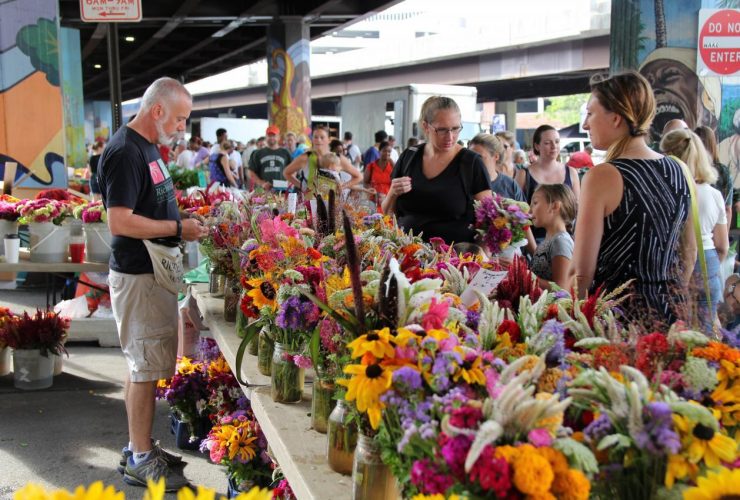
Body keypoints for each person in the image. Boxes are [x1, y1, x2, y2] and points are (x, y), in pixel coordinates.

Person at [98, 77, 208, 490]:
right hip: (138, 274)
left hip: (151, 272)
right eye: (180, 118)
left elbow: (149, 200)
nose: (182, 127)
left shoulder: (146, 147)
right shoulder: (125, 151)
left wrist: (180, 216)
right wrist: (179, 226)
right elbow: (120, 220)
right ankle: (141, 458)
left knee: (140, 365)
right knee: (143, 368)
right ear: (157, 110)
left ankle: (138, 446)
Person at [570, 70, 696, 326]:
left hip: (617, 319)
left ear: (616, 118)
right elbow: (689, 252)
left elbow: (581, 273)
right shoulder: (679, 169)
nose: (585, 124)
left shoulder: (603, 176)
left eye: (591, 113)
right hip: (672, 316)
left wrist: (567, 321)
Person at [382, 96, 492, 244]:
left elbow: (488, 219)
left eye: (455, 128)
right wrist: (393, 193)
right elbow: (387, 212)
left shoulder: (471, 163)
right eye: (442, 130)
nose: (450, 137)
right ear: (426, 126)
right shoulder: (409, 157)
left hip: (455, 260)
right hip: (405, 254)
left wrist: (482, 256)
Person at [661, 128, 728, 334]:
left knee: (675, 332)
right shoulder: (714, 194)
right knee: (705, 334)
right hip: (708, 262)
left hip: (673, 263)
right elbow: (723, 246)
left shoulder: (667, 192)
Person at [515, 124, 580, 241]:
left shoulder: (571, 172)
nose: (554, 146)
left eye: (557, 141)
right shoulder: (523, 174)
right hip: (533, 239)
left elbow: (577, 210)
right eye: (547, 143)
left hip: (565, 238)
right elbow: (516, 213)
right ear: (537, 146)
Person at [283, 125, 363, 199]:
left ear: (328, 140)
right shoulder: (305, 157)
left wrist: (343, 186)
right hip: (310, 206)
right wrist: (302, 186)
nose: (318, 140)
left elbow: (358, 176)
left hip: (332, 206)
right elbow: (286, 173)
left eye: (322, 137)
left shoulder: (337, 158)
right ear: (312, 139)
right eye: (315, 137)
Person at [529, 184, 576, 290]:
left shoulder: (560, 242)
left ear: (555, 206)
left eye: (535, 203)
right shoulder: (549, 240)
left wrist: (526, 276)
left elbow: (562, 288)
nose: (530, 210)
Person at [468, 133, 525, 202]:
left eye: (479, 158)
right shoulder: (463, 183)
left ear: (496, 156)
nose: (473, 162)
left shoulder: (510, 185)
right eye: (470, 157)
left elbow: (522, 212)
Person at [694, 125, 733, 224]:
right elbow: (727, 209)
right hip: (717, 225)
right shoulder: (723, 171)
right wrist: (724, 234)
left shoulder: (688, 168)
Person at [248, 125, 291, 190]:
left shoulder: (285, 152)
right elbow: (251, 172)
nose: (271, 138)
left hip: (282, 191)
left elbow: (293, 170)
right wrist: (261, 183)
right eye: (269, 135)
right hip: (263, 191)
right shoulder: (258, 153)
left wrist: (289, 182)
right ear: (266, 137)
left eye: (274, 135)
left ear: (278, 137)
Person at [363, 140, 394, 209]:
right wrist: (373, 191)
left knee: (387, 219)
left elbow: (396, 181)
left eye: (389, 151)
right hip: (374, 202)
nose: (387, 153)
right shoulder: (371, 166)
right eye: (384, 151)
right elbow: (365, 183)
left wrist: (393, 163)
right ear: (379, 151)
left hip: (388, 201)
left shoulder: (392, 166)